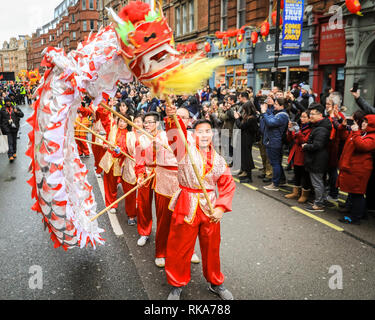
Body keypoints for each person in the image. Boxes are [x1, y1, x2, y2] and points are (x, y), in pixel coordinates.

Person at [164, 103, 236, 301]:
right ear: (193, 134)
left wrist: (221, 208)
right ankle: (176, 284)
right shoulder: (183, 150)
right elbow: (174, 133)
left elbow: (228, 185)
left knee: (212, 248)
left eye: (208, 132)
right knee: (180, 247)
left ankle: (215, 282)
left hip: (210, 207)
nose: (204, 135)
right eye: (200, 132)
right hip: (186, 203)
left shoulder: (219, 160)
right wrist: (172, 118)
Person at [336, 114, 375, 224]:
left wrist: (356, 132)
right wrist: (343, 127)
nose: (363, 123)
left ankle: (355, 217)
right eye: (363, 121)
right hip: (354, 168)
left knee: (358, 193)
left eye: (366, 122)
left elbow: (363, 146)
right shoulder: (362, 133)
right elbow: (345, 137)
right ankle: (360, 213)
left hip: (361, 169)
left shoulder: (372, 136)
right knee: (354, 193)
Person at [99, 115, 137, 223]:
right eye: (120, 120)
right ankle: (111, 204)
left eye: (125, 121)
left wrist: (120, 151)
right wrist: (105, 145)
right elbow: (106, 141)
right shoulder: (112, 129)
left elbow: (129, 150)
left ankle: (131, 213)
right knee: (110, 184)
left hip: (124, 163)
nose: (122, 123)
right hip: (110, 161)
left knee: (128, 188)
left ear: (128, 123)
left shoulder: (130, 135)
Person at [302, 103, 332, 212]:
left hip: (317, 160)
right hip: (317, 159)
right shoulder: (319, 126)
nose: (310, 116)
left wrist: (306, 146)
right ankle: (320, 201)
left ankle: (319, 204)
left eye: (313, 114)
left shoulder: (321, 129)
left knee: (317, 182)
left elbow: (318, 145)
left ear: (320, 115)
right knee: (319, 181)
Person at [260, 97, 289, 191]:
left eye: (276, 104)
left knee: (275, 163)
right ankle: (281, 180)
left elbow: (270, 122)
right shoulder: (278, 113)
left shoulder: (282, 115)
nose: (274, 105)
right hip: (273, 140)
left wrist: (264, 112)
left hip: (274, 141)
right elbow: (270, 118)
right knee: (277, 163)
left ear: (282, 106)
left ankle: (275, 184)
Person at [285, 111, 312, 203]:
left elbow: (303, 140)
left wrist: (297, 131)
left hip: (304, 154)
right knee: (297, 174)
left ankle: (304, 195)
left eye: (304, 117)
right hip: (296, 153)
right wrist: (289, 130)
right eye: (301, 116)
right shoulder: (300, 127)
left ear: (309, 118)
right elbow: (289, 139)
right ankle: (295, 192)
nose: (302, 119)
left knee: (305, 175)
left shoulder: (310, 129)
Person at [233, 94, 258, 183]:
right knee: (244, 157)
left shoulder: (252, 118)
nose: (243, 111)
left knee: (247, 158)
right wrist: (240, 117)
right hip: (244, 138)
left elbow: (241, 126)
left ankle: (249, 176)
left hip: (247, 139)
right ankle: (246, 173)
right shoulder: (248, 117)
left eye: (244, 109)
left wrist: (237, 119)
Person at [0, 97, 24, 162]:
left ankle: (14, 152)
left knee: (14, 141)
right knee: (9, 142)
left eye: (9, 101)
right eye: (7, 101)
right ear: (5, 102)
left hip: (14, 127)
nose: (8, 102)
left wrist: (17, 112)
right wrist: (2, 128)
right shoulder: (2, 109)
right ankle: (10, 155)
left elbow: (22, 115)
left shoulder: (15, 107)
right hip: (6, 128)